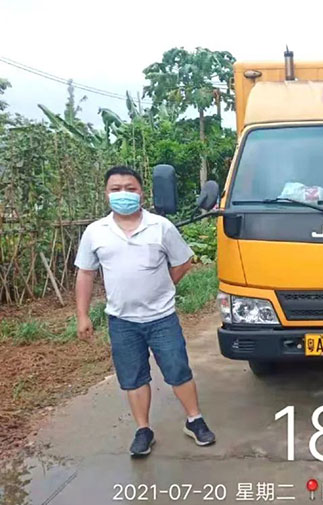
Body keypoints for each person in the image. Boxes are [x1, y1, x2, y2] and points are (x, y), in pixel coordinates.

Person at [74, 165, 215, 457]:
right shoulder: (95, 232)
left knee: (177, 369)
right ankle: (143, 430)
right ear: (105, 194)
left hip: (162, 318)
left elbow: (183, 261)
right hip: (122, 321)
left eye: (130, 188)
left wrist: (164, 285)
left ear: (141, 193)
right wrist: (83, 315)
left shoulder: (160, 226)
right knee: (133, 376)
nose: (123, 194)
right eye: (115, 189)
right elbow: (85, 273)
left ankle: (195, 420)